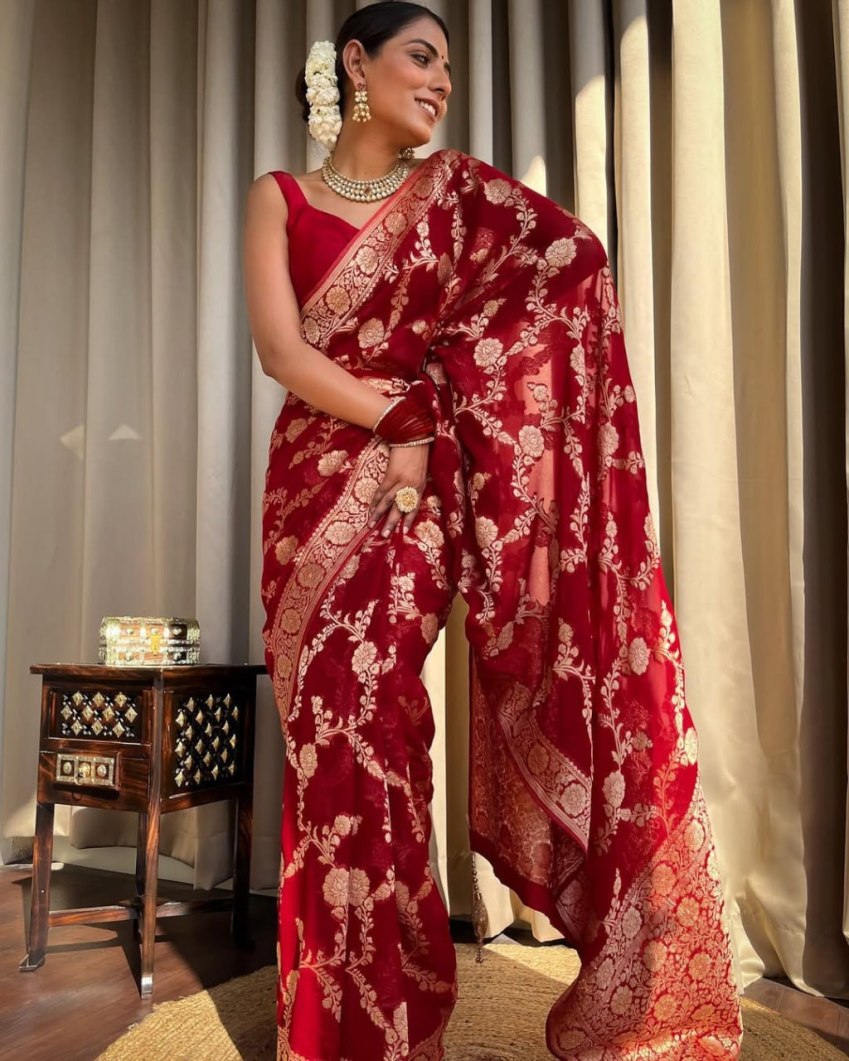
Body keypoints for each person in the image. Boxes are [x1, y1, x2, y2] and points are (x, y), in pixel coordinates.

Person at [242, 3, 744, 1058]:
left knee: (384, 740)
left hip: (409, 506)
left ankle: (397, 1021)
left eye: (448, 65)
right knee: (327, 746)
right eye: (419, 57)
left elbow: (569, 262)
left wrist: (443, 408)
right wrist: (402, 417)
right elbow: (282, 353)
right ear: (354, 63)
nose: (439, 79)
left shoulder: (458, 195)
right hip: (311, 499)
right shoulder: (278, 197)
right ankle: (328, 1023)